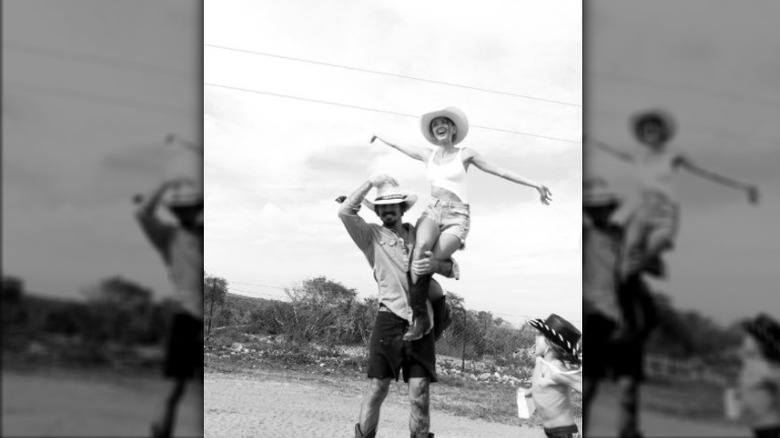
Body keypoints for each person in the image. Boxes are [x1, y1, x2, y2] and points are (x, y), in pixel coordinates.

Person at [371, 107, 553, 341]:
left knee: (426, 264)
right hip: (433, 211)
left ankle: (445, 277)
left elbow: (501, 171)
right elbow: (399, 145)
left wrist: (535, 184)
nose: (440, 125)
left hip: (457, 216)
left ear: (453, 129)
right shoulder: (428, 155)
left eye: (445, 122)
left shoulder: (465, 154)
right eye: (436, 123)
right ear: (433, 131)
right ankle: (420, 318)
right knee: (418, 255)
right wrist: (379, 134)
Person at [338, 175, 459, 438]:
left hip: (422, 321)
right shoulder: (370, 235)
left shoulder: (421, 235)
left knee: (420, 393)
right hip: (389, 319)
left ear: (403, 208)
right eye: (382, 205)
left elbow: (452, 268)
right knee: (377, 388)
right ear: (378, 210)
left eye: (394, 204)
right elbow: (345, 211)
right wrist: (370, 182)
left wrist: (435, 266)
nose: (388, 209)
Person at [588, 109, 759, 279]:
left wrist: (743, 186)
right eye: (646, 129)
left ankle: (647, 263)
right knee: (627, 252)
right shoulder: (637, 155)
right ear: (642, 134)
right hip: (643, 209)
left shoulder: (673, 154)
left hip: (666, 209)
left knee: (656, 245)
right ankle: (622, 281)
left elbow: (706, 171)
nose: (650, 132)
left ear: (662, 132)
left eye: (655, 128)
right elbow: (611, 149)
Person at [582, 177, 658, 438]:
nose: (598, 210)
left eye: (603, 206)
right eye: (593, 207)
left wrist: (643, 260)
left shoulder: (623, 237)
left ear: (609, 208)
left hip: (626, 318)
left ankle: (628, 432)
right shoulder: (584, 236)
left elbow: (657, 266)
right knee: (589, 384)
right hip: (596, 318)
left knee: (628, 387)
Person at [135, 178, 203, 438]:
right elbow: (142, 212)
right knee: (174, 388)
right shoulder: (168, 236)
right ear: (177, 212)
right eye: (182, 208)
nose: (187, 211)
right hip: (185, 319)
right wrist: (164, 185)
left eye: (192, 206)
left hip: (196, 321)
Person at [527, 314, 583, 438]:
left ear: (550, 343)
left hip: (565, 433)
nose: (535, 337)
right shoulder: (540, 361)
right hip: (551, 431)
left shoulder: (557, 370)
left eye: (540, 335)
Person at [733, 314, 780, 438]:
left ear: (761, 342)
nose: (745, 339)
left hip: (771, 428)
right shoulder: (753, 363)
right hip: (760, 425)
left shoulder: (769, 369)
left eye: (749, 336)